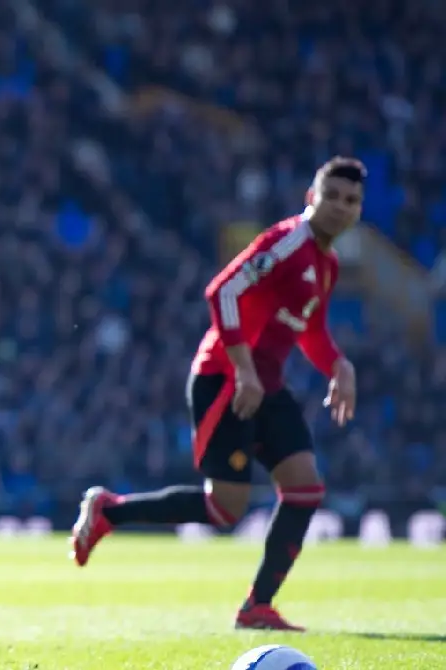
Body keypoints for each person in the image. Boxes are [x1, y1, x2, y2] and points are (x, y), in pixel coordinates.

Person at [68, 157, 364, 632]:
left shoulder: (326, 265)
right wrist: (244, 370)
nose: (339, 207)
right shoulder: (287, 242)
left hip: (265, 385)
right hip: (226, 378)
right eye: (331, 196)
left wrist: (339, 365)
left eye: (350, 201)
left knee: (306, 488)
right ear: (311, 196)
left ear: (358, 211)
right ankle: (110, 509)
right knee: (225, 508)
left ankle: (257, 607)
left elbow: (309, 329)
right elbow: (221, 291)